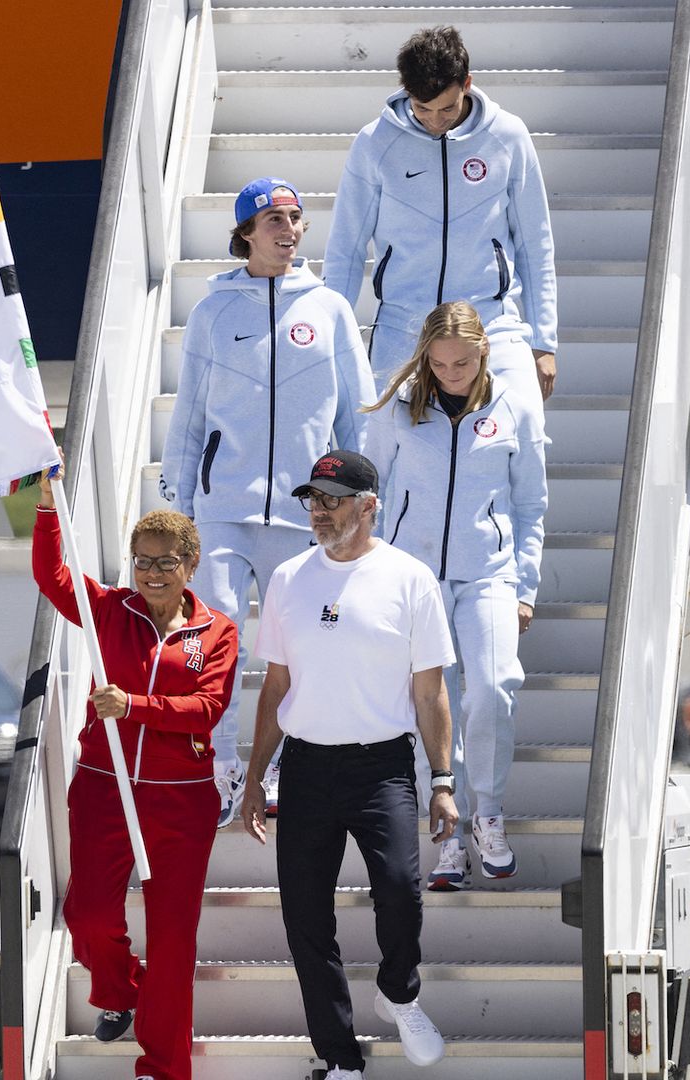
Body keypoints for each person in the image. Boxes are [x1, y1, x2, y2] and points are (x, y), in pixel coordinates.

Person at [160, 177, 375, 827]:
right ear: (246, 232)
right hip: (223, 506)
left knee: (297, 648)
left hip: (305, 514)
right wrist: (178, 502)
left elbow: (355, 416)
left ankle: (279, 766)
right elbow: (191, 413)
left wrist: (365, 498)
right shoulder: (212, 311)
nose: (289, 229)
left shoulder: (329, 309)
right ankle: (220, 766)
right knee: (219, 643)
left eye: (296, 218)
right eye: (274, 219)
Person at [240, 450, 459, 1080]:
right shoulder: (287, 579)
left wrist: (441, 781)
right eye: (313, 498)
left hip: (383, 768)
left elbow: (430, 691)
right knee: (306, 917)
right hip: (306, 769)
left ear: (369, 505)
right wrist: (254, 779)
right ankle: (339, 1058)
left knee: (399, 893)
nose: (319, 511)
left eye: (334, 499)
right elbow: (275, 687)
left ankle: (400, 992)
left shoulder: (410, 578)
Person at [31, 468, 239, 1080]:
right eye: (142, 561)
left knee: (173, 942)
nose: (151, 573)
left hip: (181, 800)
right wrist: (47, 507)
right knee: (89, 916)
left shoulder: (217, 632)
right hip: (103, 785)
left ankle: (163, 1067)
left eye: (165, 562)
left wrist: (135, 706)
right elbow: (53, 577)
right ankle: (120, 989)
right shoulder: (108, 610)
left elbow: (208, 710)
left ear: (191, 564)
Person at [363, 301, 547, 890]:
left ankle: (487, 814)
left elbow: (530, 503)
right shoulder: (399, 408)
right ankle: (444, 832)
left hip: (490, 576)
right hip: (412, 581)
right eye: (439, 365)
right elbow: (373, 491)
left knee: (492, 690)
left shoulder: (513, 405)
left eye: (461, 363)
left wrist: (526, 585)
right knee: (430, 703)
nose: (450, 374)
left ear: (484, 352)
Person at [324, 25, 559, 404]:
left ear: (467, 83)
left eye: (447, 107)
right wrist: (329, 334)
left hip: (490, 323)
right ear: (405, 92)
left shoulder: (508, 137)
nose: (435, 120)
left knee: (519, 431)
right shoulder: (375, 143)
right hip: (403, 326)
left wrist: (544, 341)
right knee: (387, 449)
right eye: (423, 109)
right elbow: (345, 247)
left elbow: (536, 242)